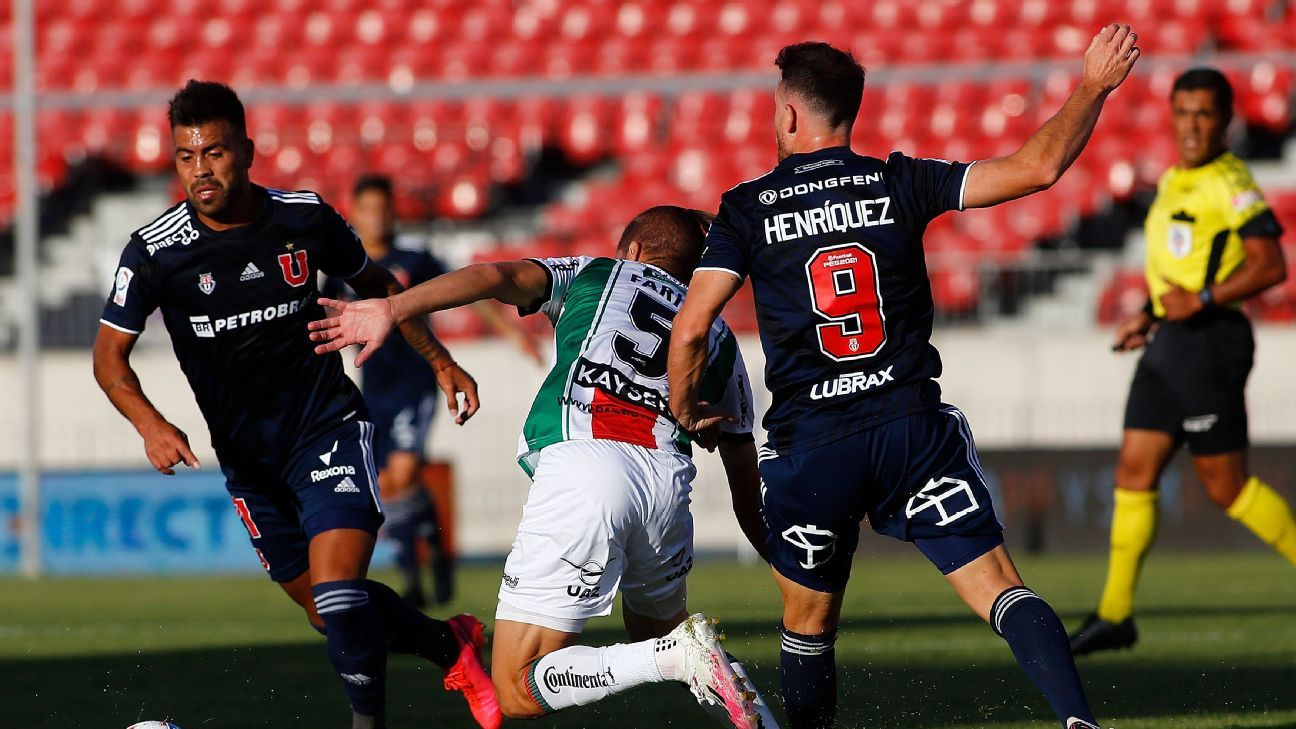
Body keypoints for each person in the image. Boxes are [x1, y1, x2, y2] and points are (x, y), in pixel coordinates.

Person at [668, 31, 1139, 729]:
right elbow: (1037, 169)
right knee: (1000, 587)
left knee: (808, 619)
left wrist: (684, 404)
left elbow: (690, 325)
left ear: (791, 115)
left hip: (813, 444)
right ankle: (1081, 722)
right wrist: (1094, 85)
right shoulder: (899, 179)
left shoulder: (747, 209)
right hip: (910, 428)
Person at [91, 80, 501, 729]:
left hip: (327, 429)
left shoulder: (303, 218)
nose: (202, 170)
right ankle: (450, 643)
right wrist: (151, 423)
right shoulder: (155, 251)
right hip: (250, 463)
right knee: (325, 610)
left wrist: (441, 361)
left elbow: (381, 289)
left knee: (340, 596)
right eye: (187, 156)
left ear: (247, 150)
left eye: (216, 153)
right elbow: (108, 357)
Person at [309, 206, 779, 729]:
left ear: (635, 251)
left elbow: (496, 276)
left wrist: (393, 308)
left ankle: (675, 656)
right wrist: (794, 573)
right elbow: (747, 496)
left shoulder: (596, 271)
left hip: (588, 466)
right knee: (661, 640)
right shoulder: (720, 341)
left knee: (515, 685)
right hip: (668, 485)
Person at [1068, 68, 1292, 656]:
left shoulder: (1231, 181)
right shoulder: (1172, 180)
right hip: (1170, 341)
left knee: (1226, 487)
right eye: (1184, 112)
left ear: (1226, 120)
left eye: (1205, 113)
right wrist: (1146, 310)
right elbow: (1179, 272)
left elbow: (1271, 265)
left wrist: (1206, 300)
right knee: (1133, 472)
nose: (1192, 124)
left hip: (1210, 342)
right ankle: (1115, 614)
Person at [324, 174, 543, 608]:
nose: (377, 216)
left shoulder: (415, 258)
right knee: (391, 484)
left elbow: (474, 290)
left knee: (398, 477)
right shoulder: (346, 267)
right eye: (368, 209)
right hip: (372, 387)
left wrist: (509, 332)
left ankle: (414, 582)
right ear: (354, 214)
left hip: (417, 381)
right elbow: (323, 318)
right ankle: (431, 551)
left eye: (384, 207)